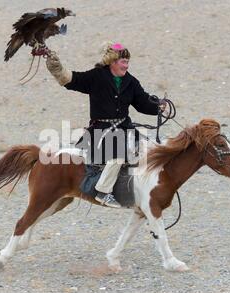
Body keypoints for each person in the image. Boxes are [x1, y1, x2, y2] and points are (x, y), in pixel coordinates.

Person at [46, 42, 166, 208]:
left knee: (149, 150)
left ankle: (141, 193)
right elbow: (73, 80)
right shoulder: (96, 76)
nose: (126, 65)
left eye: (127, 61)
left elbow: (142, 103)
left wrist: (157, 106)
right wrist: (57, 69)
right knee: (119, 154)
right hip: (100, 132)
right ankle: (103, 191)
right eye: (123, 61)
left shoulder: (131, 82)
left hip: (124, 129)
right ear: (113, 61)